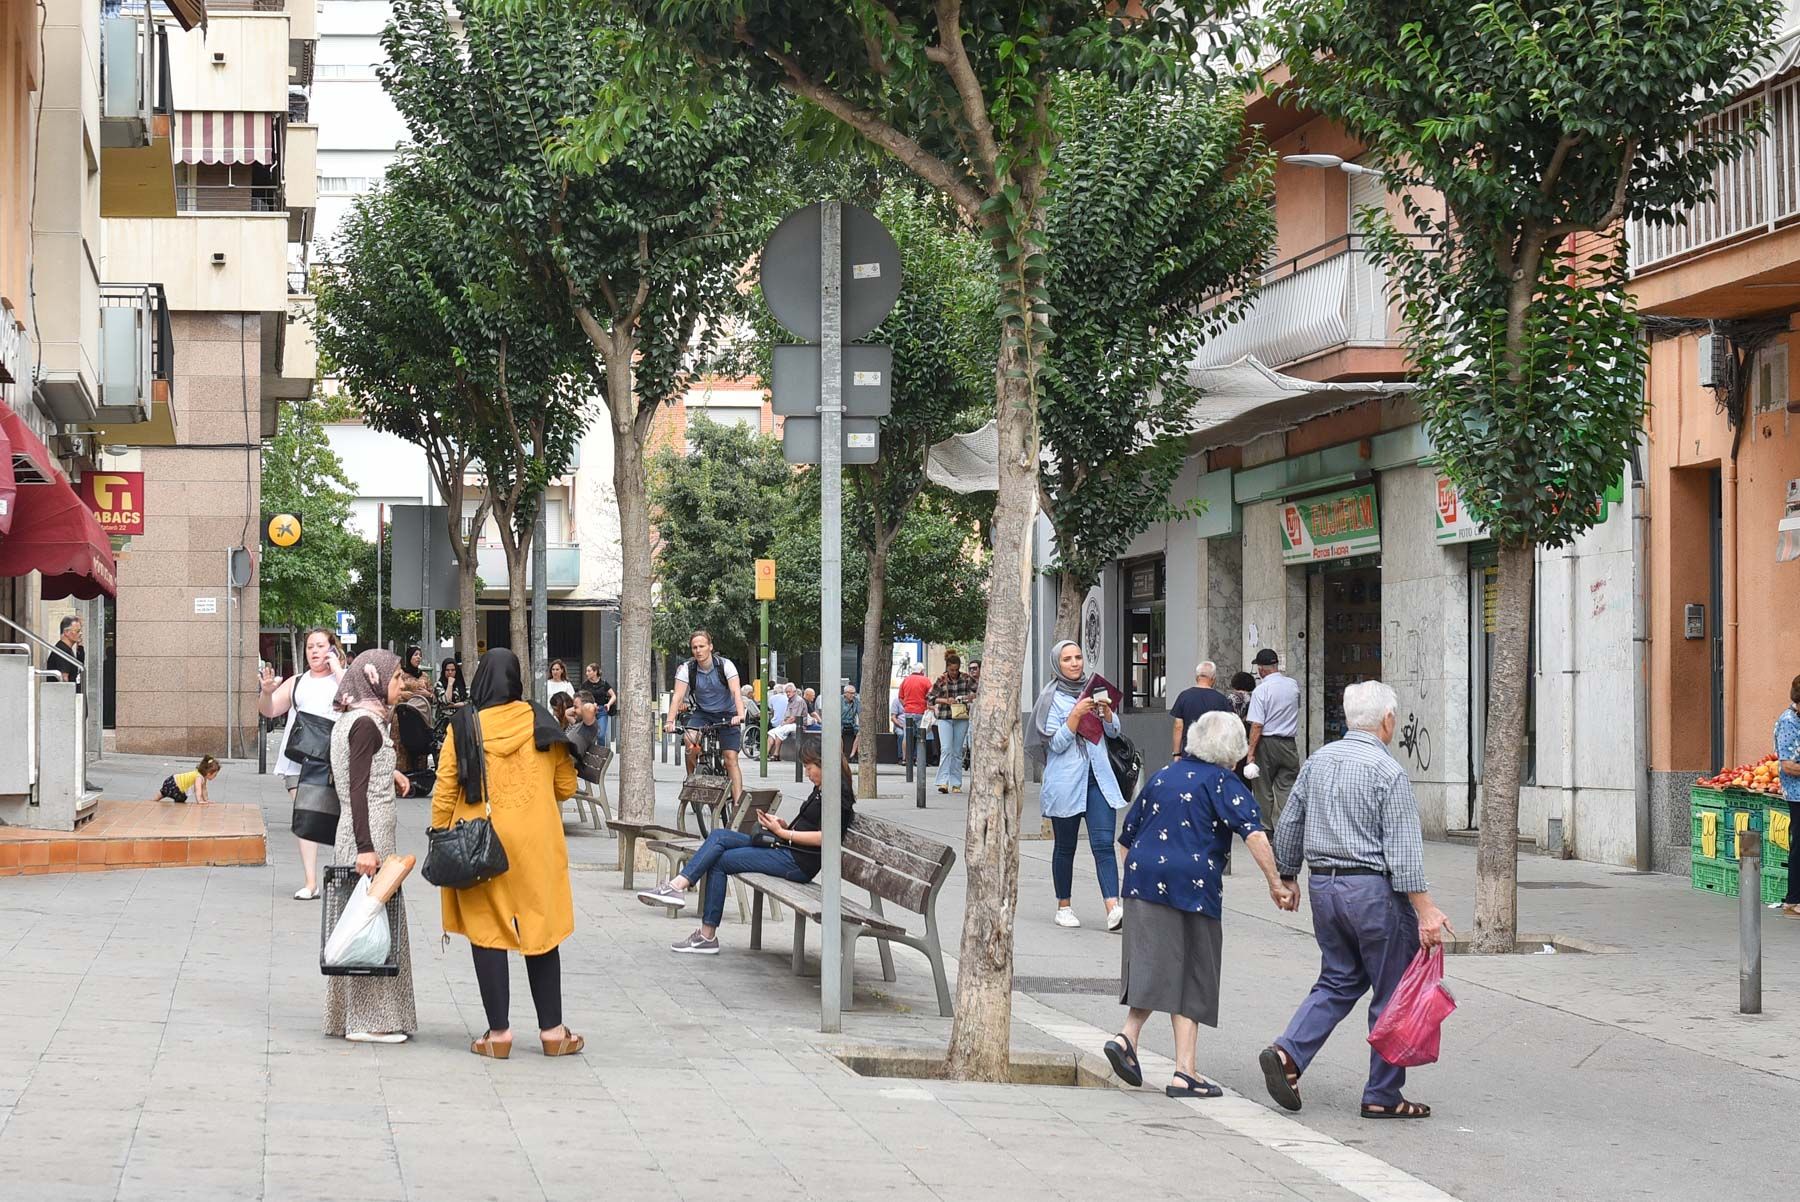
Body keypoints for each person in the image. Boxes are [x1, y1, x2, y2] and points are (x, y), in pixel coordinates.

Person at [1260, 681, 1450, 1121]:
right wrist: (1426, 911)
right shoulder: (1388, 772)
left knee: (1339, 979)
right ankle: (1383, 1093)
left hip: (1325, 888)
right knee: (1392, 990)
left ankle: (1288, 1055)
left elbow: (1290, 821)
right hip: (1371, 892)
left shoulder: (1318, 761)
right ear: (1387, 721)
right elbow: (1403, 851)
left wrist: (1286, 877)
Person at [1104, 711, 1297, 1097]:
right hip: (1191, 887)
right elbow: (1254, 834)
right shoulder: (1223, 781)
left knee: (1154, 964)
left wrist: (1145, 873)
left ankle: (1131, 1039)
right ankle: (1184, 1072)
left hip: (1142, 881)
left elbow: (1125, 838)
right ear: (1234, 750)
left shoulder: (1163, 776)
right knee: (1193, 970)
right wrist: (1276, 884)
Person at [431, 649, 584, 1059]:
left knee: (488, 931)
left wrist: (439, 833)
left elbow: (446, 789)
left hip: (481, 841)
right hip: (536, 843)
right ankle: (553, 1032)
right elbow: (567, 787)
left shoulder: (463, 725)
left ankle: (498, 1035)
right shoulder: (540, 720)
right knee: (541, 930)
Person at [639, 741, 855, 955]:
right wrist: (782, 825)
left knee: (720, 862)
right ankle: (678, 887)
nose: (807, 773)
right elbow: (811, 825)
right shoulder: (821, 787)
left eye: (809, 767)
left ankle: (706, 934)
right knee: (719, 836)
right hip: (788, 848)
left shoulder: (837, 793)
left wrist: (783, 834)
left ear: (823, 764)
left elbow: (828, 837)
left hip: (798, 862)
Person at [324, 649, 417, 1045]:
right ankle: (369, 1021)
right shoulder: (366, 723)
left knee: (364, 920)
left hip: (362, 832)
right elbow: (355, 788)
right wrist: (366, 847)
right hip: (368, 836)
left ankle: (352, 1017)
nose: (401, 684)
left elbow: (357, 769)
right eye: (395, 677)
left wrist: (389, 769)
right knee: (370, 928)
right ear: (374, 681)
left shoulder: (356, 718)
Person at [1026, 639, 1126, 932]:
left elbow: (1114, 732)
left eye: (1078, 657)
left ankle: (1113, 908)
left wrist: (1108, 716)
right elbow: (1054, 744)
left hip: (1099, 780)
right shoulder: (1050, 698)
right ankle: (1064, 906)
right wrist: (1075, 717)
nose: (1074, 663)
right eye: (1067, 659)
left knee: (1103, 845)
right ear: (1057, 663)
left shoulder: (1095, 689)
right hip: (1066, 781)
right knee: (1065, 846)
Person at [261, 628, 346, 901]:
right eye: (310, 646)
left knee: (336, 817)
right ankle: (311, 882)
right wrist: (265, 692)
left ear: (332, 648)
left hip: (331, 760)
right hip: (298, 759)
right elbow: (270, 709)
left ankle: (346, 872)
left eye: (321, 646)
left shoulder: (342, 679)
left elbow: (354, 702)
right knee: (306, 816)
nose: (314, 651)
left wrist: (337, 669)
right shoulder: (298, 681)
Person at [664, 630, 746, 800]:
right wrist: (670, 721)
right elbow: (678, 696)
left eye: (702, 646)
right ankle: (691, 777)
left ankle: (738, 804)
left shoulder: (725, 665)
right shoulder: (688, 669)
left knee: (730, 758)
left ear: (710, 646)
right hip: (703, 712)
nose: (698, 650)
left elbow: (736, 692)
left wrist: (740, 714)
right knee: (690, 739)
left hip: (727, 713)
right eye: (694, 647)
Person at [1245, 649, 1302, 830]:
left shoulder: (1261, 690)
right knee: (1287, 787)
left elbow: (1257, 725)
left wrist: (1250, 753)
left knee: (1263, 789)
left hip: (1266, 744)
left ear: (1261, 669)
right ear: (1276, 665)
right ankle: (1290, 828)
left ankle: (1266, 829)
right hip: (1288, 743)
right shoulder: (1293, 685)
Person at [927, 651, 977, 794]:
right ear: (947, 668)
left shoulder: (966, 679)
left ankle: (956, 783)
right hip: (945, 717)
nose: (954, 673)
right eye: (951, 670)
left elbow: (979, 691)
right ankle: (942, 781)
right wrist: (945, 700)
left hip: (961, 717)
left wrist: (969, 697)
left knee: (957, 751)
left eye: (956, 670)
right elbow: (929, 698)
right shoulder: (941, 680)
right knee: (946, 749)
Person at [1774, 675, 1800, 917]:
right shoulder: (1788, 722)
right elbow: (1788, 765)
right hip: (1797, 795)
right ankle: (1793, 899)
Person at [1170, 661, 1233, 759]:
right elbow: (1227, 728)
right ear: (1213, 679)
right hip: (1214, 752)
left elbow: (1178, 726)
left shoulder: (1184, 696)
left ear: (1196, 677)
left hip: (1190, 750)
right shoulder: (1221, 699)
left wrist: (1176, 753)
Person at [152, 755, 221, 805]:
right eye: (215, 775)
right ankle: (152, 802)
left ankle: (152, 802)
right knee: (180, 798)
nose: (215, 776)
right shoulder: (199, 777)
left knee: (163, 793)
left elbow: (204, 789)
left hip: (171, 781)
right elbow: (198, 790)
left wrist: (206, 800)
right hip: (175, 786)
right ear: (209, 773)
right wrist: (199, 800)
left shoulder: (202, 777)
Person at [898, 664, 931, 765]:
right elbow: (931, 695)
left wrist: (906, 706)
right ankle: (918, 759)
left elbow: (900, 697)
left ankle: (905, 759)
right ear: (922, 671)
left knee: (906, 736)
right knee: (921, 736)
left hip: (908, 712)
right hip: (921, 712)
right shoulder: (926, 680)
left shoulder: (905, 680)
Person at [767, 682, 805, 759]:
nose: (787, 694)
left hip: (798, 724)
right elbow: (787, 716)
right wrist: (784, 722)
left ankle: (776, 754)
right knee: (771, 732)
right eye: (786, 692)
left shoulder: (798, 701)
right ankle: (766, 753)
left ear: (794, 692)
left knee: (779, 731)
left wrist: (784, 723)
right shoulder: (789, 701)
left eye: (789, 692)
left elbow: (794, 718)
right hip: (790, 723)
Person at [46, 615, 84, 691]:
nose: (81, 633)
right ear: (66, 632)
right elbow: (64, 678)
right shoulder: (62, 651)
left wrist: (80, 646)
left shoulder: (67, 649)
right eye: (77, 631)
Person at [582, 663, 617, 744]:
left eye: (589, 671)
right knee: (591, 735)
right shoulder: (585, 685)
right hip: (589, 710)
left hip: (602, 710)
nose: (586, 673)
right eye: (586, 671)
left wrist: (608, 704)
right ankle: (591, 753)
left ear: (595, 672)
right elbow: (580, 697)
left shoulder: (604, 683)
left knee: (601, 735)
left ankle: (601, 754)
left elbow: (613, 696)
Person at [841, 684, 861, 761]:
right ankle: (841, 755)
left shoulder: (857, 700)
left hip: (851, 723)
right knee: (837, 732)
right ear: (845, 693)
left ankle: (852, 754)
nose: (853, 695)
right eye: (851, 693)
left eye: (854, 693)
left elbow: (860, 714)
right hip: (841, 722)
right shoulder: (840, 699)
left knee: (860, 732)